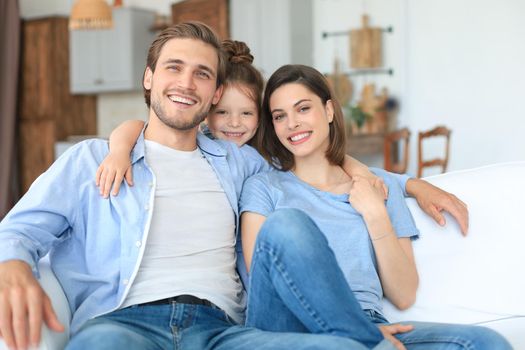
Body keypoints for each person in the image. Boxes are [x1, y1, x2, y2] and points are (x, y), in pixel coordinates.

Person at [0, 22, 468, 350]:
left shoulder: (240, 163)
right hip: (122, 323)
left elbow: (308, 156)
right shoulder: (91, 160)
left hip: (225, 331)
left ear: (215, 92)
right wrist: (12, 266)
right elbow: (16, 231)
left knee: (290, 227)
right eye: (173, 68)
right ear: (149, 78)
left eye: (202, 73)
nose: (187, 82)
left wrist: (409, 183)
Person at [238, 64, 511, 349]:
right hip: (292, 326)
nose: (292, 123)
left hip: (373, 325)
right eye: (279, 116)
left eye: (303, 109)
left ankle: (360, 339)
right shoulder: (263, 187)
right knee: (289, 225)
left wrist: (375, 213)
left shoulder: (378, 185)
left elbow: (404, 295)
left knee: (484, 342)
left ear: (329, 111)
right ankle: (356, 338)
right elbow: (264, 277)